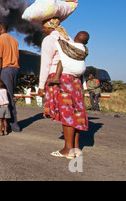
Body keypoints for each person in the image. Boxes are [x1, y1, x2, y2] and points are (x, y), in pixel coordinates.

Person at [38, 18, 88, 159]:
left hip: (60, 79)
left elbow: (46, 64)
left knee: (67, 113)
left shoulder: (49, 40)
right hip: (75, 80)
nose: (42, 29)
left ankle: (67, 149)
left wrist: (41, 85)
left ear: (49, 27)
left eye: (43, 26)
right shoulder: (68, 39)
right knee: (76, 112)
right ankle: (76, 148)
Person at [0, 22, 21, 132]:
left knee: (7, 97)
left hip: (6, 69)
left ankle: (13, 125)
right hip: (15, 69)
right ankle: (9, 122)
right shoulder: (14, 40)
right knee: (10, 95)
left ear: (0, 28)